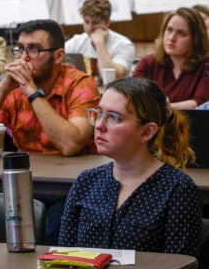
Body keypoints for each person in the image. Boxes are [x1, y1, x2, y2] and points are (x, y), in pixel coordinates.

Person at [0, 19, 100, 245]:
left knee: (51, 237)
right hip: (24, 182)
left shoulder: (80, 84)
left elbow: (70, 144)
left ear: (58, 56)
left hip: (71, 188)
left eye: (34, 49)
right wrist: (2, 87)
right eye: (20, 49)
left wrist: (31, 91)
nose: (23, 58)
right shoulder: (13, 87)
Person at [58, 77, 202, 257]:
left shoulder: (178, 190)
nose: (99, 126)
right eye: (99, 113)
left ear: (147, 132)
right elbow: (64, 256)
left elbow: (180, 264)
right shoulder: (86, 181)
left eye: (113, 117)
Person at [133, 7, 209, 109]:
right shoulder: (148, 62)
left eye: (181, 33)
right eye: (169, 30)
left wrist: (161, 108)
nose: (172, 38)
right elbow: (133, 97)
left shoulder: (205, 64)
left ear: (195, 39)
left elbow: (200, 103)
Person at [65, 0, 135, 79]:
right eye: (86, 22)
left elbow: (112, 78)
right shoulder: (75, 43)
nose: (90, 28)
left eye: (95, 23)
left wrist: (99, 44)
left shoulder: (123, 45)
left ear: (107, 23)